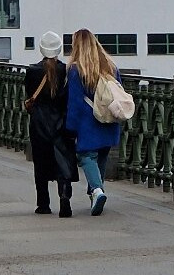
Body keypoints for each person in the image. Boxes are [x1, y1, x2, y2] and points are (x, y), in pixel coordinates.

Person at [65, 28, 122, 216]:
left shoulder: (76, 69)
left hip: (88, 122)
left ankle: (97, 190)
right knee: (102, 156)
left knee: (86, 156)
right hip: (109, 119)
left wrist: (71, 128)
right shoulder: (111, 66)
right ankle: (96, 195)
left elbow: (74, 103)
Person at [24, 31, 78, 217]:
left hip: (39, 122)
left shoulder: (32, 71)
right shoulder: (66, 70)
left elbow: (29, 95)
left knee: (40, 163)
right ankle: (64, 197)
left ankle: (43, 203)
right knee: (63, 160)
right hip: (61, 120)